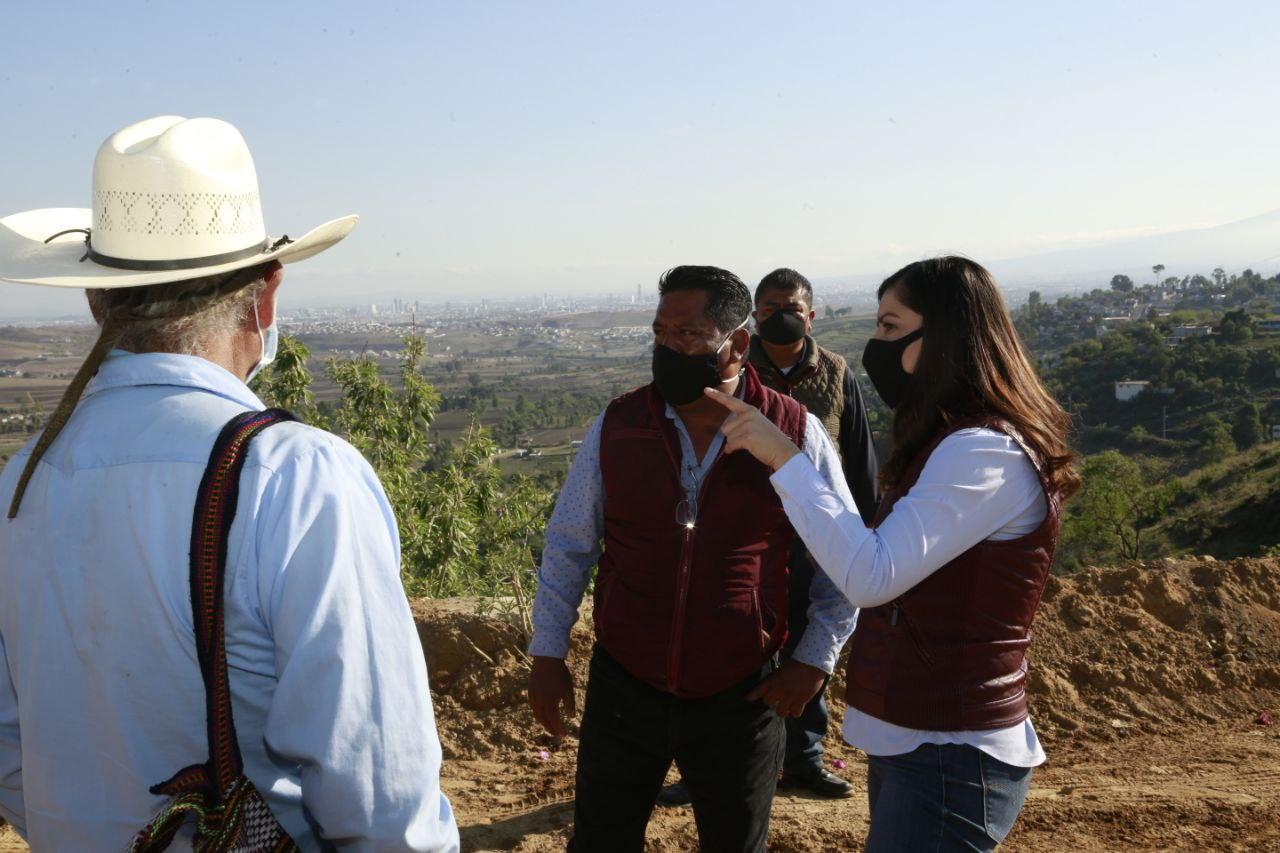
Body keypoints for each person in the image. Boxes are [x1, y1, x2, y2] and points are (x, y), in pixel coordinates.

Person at [0, 117, 459, 851]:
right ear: (264, 295)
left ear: (97, 300)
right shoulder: (296, 481)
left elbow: (10, 748)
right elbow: (380, 800)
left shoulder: (20, 484)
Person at [706, 256, 1080, 852]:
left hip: (949, 751)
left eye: (888, 326)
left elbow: (871, 575)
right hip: (920, 741)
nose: (874, 344)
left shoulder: (983, 454)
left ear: (945, 335)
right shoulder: (956, 443)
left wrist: (786, 460)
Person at [526, 266, 859, 853]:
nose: (668, 348)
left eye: (687, 336)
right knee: (601, 840)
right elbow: (569, 544)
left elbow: (843, 552)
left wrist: (814, 660)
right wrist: (548, 652)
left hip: (742, 691)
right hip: (627, 682)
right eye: (660, 333)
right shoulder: (619, 425)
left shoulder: (793, 431)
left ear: (735, 345)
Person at [658, 267, 878, 805]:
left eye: (792, 308)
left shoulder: (835, 371)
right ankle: (702, 769)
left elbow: (855, 455)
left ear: (811, 315)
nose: (780, 316)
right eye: (769, 307)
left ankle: (802, 763)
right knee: (728, 656)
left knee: (808, 646)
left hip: (814, 539)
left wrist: (861, 534)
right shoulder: (732, 367)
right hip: (746, 539)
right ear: (750, 319)